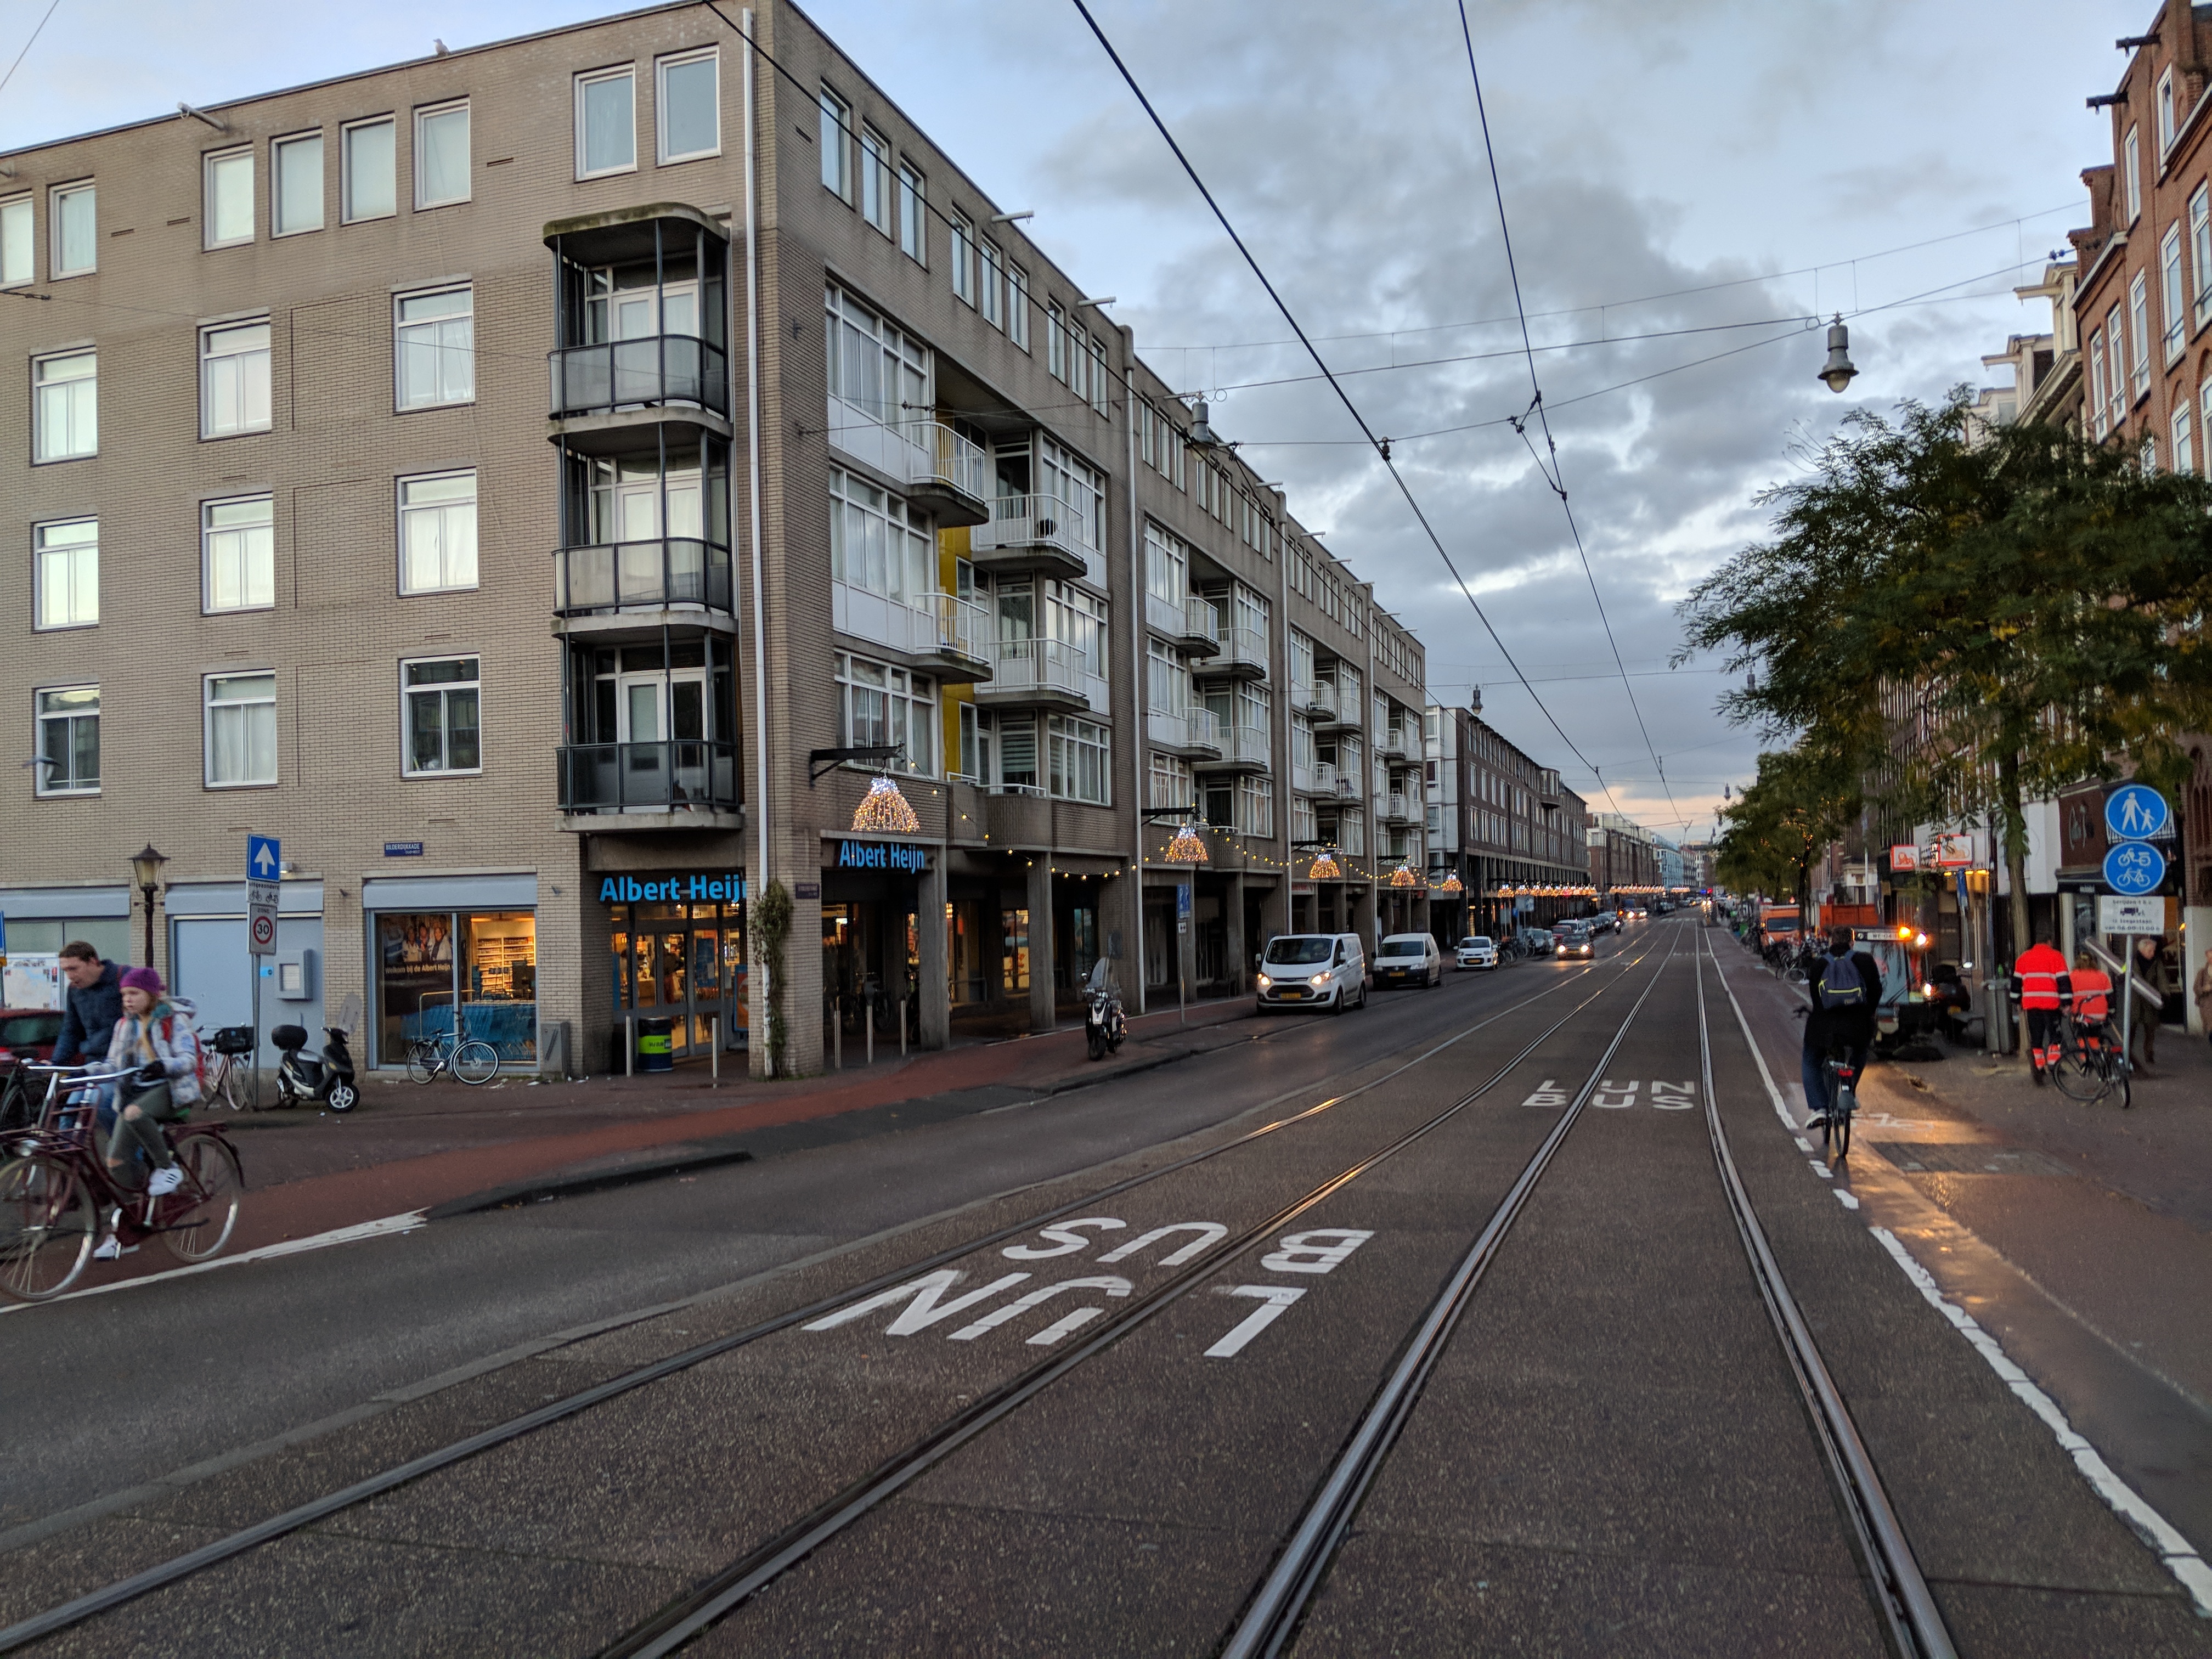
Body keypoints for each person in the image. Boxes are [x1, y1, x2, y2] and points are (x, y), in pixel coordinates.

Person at [93, 967, 201, 1260]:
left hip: (170, 1090)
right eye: (124, 995)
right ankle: (128, 1229)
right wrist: (85, 1072)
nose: (127, 1000)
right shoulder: (123, 1026)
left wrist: (164, 1066)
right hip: (134, 1094)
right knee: (116, 1163)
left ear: (152, 995)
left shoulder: (173, 1020)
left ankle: (168, 1168)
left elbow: (188, 1060)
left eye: (134, 993)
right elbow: (112, 1065)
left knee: (133, 1113)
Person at [1799, 925, 1880, 1128]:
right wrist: (1868, 1013)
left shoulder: (1819, 965)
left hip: (1825, 1028)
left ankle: (1820, 1108)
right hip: (1857, 1026)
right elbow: (1876, 991)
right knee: (1860, 1052)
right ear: (1852, 942)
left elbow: (1816, 999)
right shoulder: (1865, 961)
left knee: (1811, 1060)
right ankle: (1849, 1090)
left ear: (1831, 942)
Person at [2008, 932, 2070, 1086]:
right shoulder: (2057, 957)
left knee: (2036, 1038)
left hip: (2031, 1004)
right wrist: (2067, 1003)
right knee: (2055, 1037)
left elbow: (2016, 983)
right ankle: (2054, 1066)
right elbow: (2063, 982)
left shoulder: (2023, 958)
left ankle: (2039, 1067)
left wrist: (2016, 1001)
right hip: (2051, 1004)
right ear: (2049, 942)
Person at [2129, 933, 2170, 1076]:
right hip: (2135, 999)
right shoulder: (2131, 961)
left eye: (2153, 951)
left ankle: (2149, 1053)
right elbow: (2122, 971)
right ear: (2142, 950)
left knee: (2150, 1028)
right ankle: (2128, 1052)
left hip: (2150, 999)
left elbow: (2162, 978)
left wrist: (2165, 994)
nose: (2153, 953)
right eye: (2150, 951)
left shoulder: (2156, 962)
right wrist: (2121, 978)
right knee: (2131, 1028)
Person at [2196, 951, 2212, 1053]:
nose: (2211, 960)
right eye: (2209, 958)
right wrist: (2204, 989)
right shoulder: (2202, 973)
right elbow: (2196, 989)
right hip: (2208, 1008)